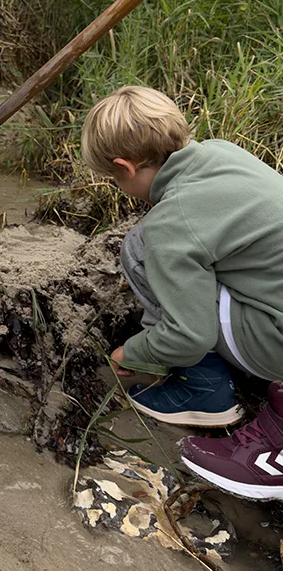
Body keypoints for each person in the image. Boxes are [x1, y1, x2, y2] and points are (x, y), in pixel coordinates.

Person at [79, 87, 283, 428]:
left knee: (139, 248)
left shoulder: (172, 223)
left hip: (276, 343)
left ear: (124, 168)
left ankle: (205, 389)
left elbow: (192, 335)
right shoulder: (222, 153)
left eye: (114, 180)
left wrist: (136, 351)